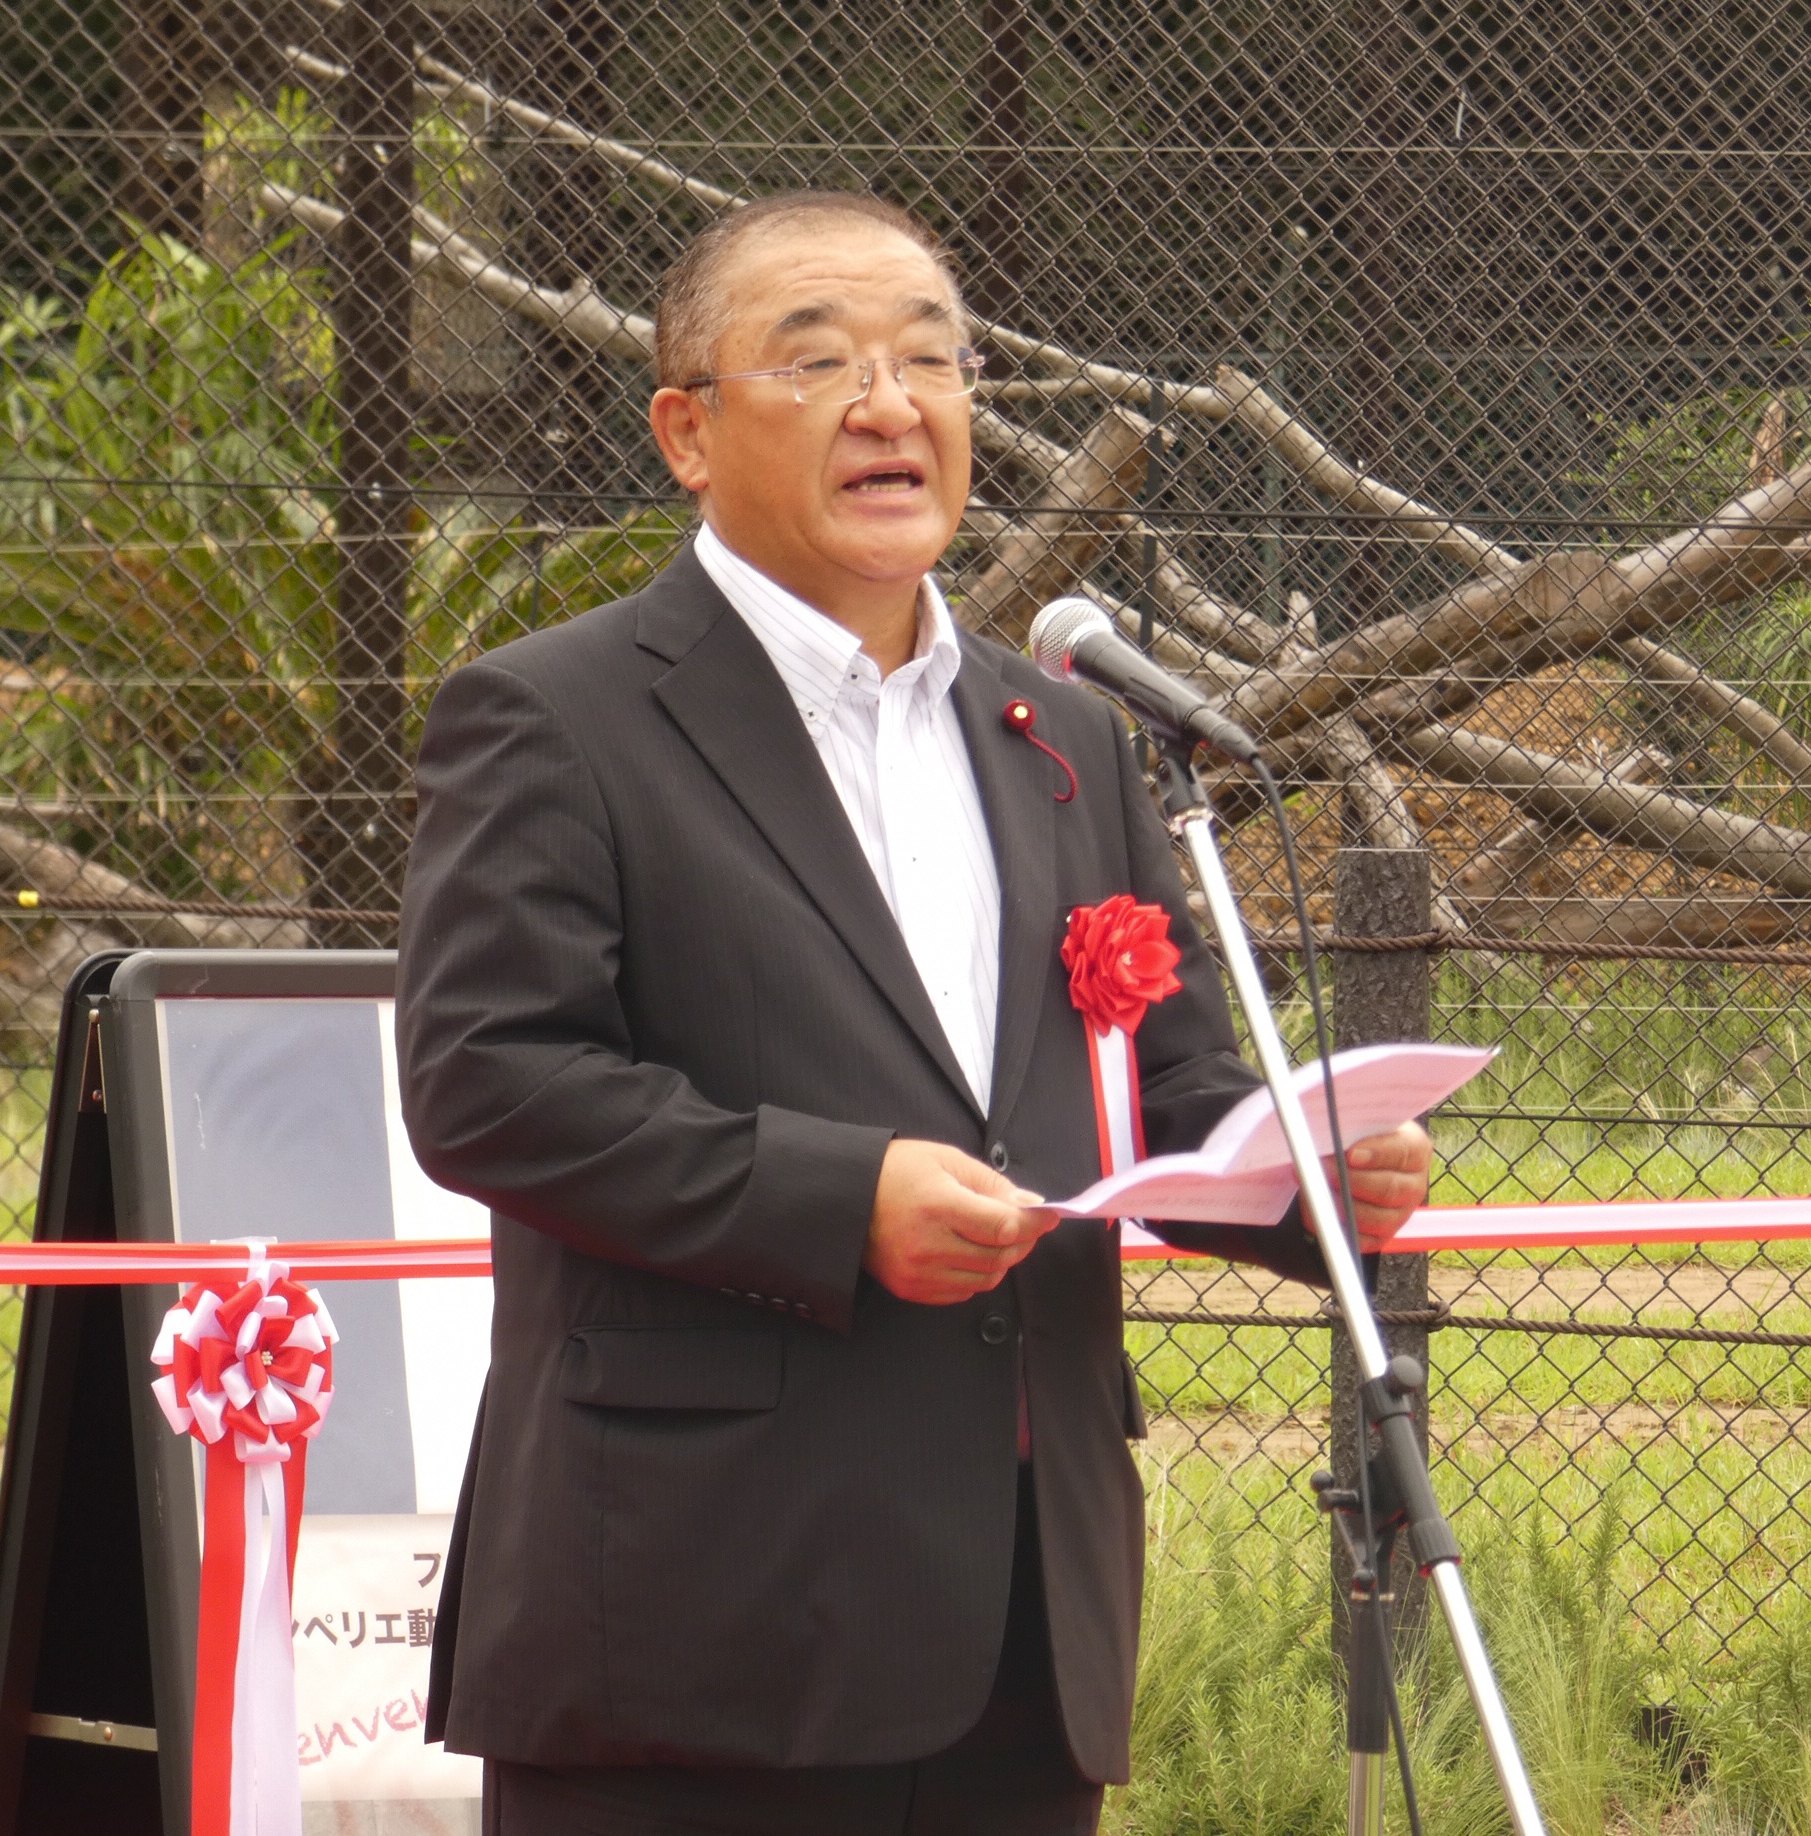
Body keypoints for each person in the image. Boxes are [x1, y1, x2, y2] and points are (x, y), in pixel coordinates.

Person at [395, 190, 1434, 1836]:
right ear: (687, 433)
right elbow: (492, 1083)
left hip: (1022, 1614)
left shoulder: (1065, 739)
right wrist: (843, 1196)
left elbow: (1155, 1083)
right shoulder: (556, 717)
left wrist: (1300, 1176)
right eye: (819, 363)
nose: (891, 406)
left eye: (932, 361)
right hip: (697, 1618)